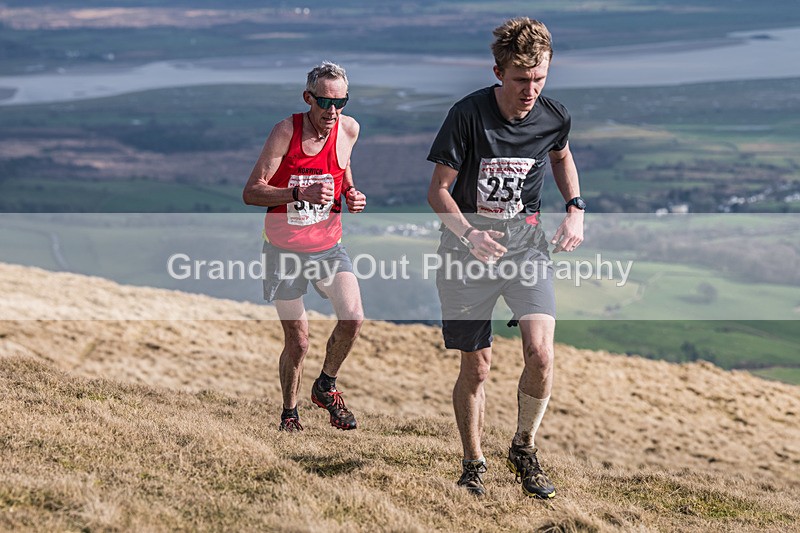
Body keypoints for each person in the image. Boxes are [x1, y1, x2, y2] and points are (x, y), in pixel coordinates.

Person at [427, 18, 585, 498]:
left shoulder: (554, 115)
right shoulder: (468, 114)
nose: (530, 90)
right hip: (466, 254)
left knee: (541, 352)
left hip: (526, 249)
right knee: (477, 367)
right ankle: (473, 462)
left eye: (539, 78)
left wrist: (575, 208)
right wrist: (471, 233)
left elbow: (560, 155)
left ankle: (524, 446)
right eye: (521, 79)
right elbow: (438, 192)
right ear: (498, 72)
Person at [243, 61, 367, 432]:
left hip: (329, 246)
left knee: (353, 318)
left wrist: (351, 193)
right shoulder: (285, 131)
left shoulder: (349, 128)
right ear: (307, 97)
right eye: (324, 103)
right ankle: (289, 414)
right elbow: (251, 192)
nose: (332, 111)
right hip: (284, 249)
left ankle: (325, 386)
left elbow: (341, 167)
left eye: (340, 102)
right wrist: (298, 192)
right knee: (298, 342)